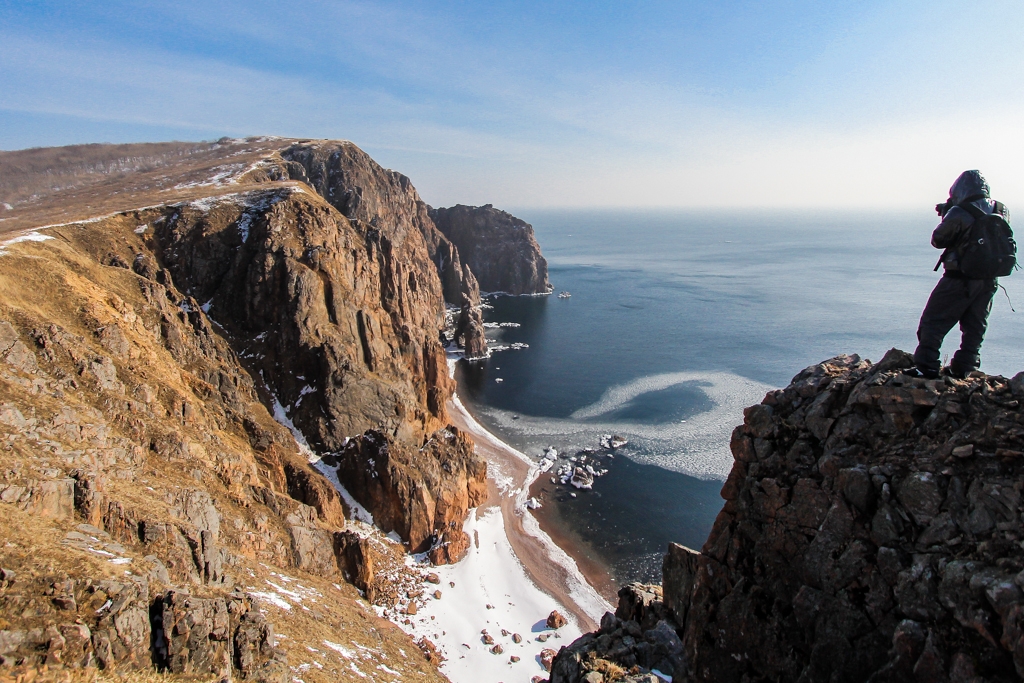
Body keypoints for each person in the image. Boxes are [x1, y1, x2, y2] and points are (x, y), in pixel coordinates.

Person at [910, 170, 1008, 379]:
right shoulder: (1001, 209)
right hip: (989, 279)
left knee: (933, 322)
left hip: (959, 279)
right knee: (975, 325)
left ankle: (926, 367)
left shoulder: (959, 212)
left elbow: (939, 240)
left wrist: (949, 212)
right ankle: (964, 367)